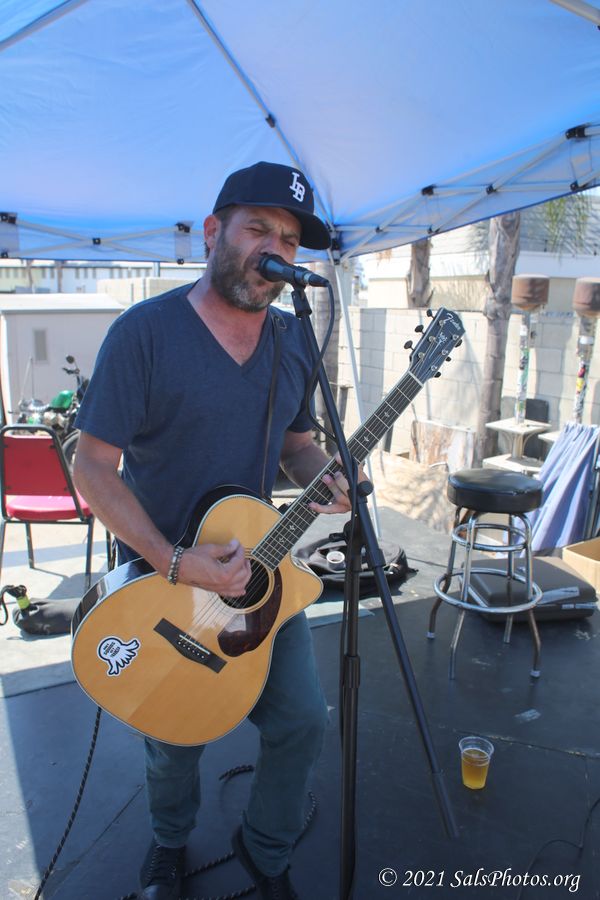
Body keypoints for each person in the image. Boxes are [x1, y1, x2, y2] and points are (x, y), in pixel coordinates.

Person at [73, 161, 354, 900]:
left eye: (289, 240)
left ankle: (266, 849)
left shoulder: (294, 340)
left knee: (302, 721)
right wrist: (174, 561)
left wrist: (326, 476)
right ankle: (170, 841)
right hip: (162, 582)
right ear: (212, 232)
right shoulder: (145, 334)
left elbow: (297, 445)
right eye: (259, 229)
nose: (275, 250)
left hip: (258, 572)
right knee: (173, 735)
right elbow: (92, 466)